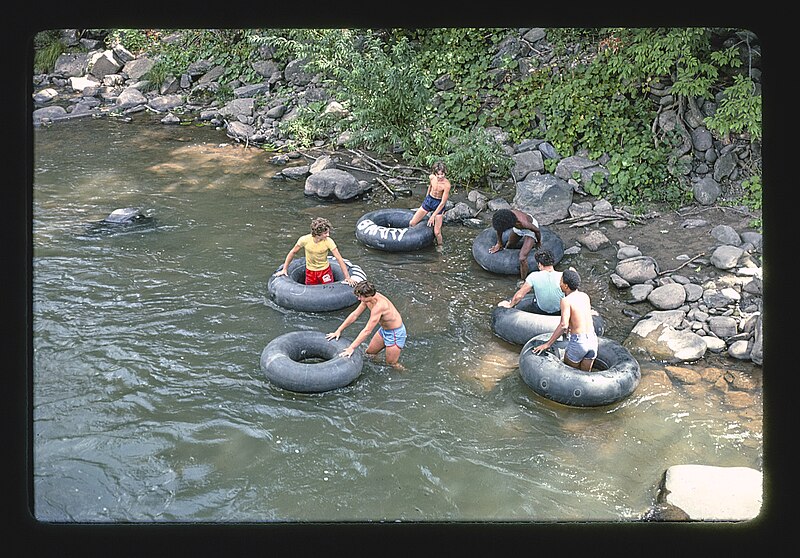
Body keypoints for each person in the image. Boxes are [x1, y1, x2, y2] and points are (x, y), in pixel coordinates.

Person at [326, 280, 406, 368]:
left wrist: (351, 348)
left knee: (391, 364)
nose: (359, 299)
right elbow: (355, 315)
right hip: (384, 330)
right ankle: (377, 368)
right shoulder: (368, 299)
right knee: (370, 353)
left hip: (395, 334)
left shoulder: (379, 306)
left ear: (368, 296)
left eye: (360, 297)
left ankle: (405, 372)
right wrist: (339, 330)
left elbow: (367, 331)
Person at [531, 269, 598, 371]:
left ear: (566, 286)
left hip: (579, 342)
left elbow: (563, 325)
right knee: (585, 376)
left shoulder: (566, 301)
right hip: (593, 340)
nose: (559, 283)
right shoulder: (585, 296)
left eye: (561, 281)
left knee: (569, 374)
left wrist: (547, 344)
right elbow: (578, 317)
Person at [275, 217, 357, 286]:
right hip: (310, 272)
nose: (328, 235)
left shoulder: (329, 241)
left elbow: (339, 258)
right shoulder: (304, 240)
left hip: (325, 271)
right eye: (325, 233)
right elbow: (292, 252)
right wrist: (284, 269)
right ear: (318, 233)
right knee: (310, 294)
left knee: (329, 291)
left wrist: (347, 277)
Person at [497, 249, 563, 314]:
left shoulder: (533, 276)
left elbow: (520, 295)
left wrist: (510, 305)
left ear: (539, 264)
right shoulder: (563, 276)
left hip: (540, 310)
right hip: (559, 311)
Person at [488, 208, 542, 280]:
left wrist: (538, 242)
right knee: (509, 245)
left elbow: (537, 231)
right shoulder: (504, 217)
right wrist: (499, 243)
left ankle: (524, 279)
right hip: (517, 227)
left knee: (522, 258)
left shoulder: (524, 223)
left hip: (530, 230)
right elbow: (499, 230)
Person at [408, 160, 451, 246]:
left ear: (445, 173)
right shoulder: (431, 177)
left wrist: (433, 216)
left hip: (438, 203)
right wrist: (426, 197)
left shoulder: (446, 185)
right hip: (429, 200)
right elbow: (430, 187)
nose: (440, 176)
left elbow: (443, 202)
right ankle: (410, 240)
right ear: (435, 173)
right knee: (412, 223)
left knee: (437, 232)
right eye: (438, 174)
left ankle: (440, 246)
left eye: (442, 174)